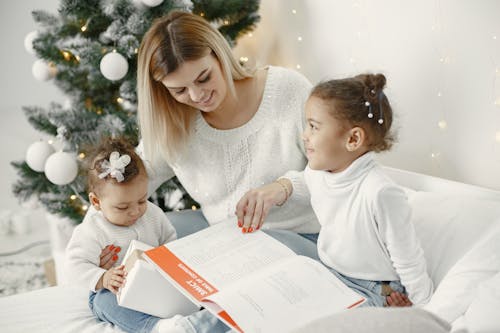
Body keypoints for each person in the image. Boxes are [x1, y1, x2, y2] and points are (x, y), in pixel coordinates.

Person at [92, 9, 323, 333]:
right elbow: (124, 181)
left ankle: (198, 325)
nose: (197, 96)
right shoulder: (176, 120)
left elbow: (339, 173)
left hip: (297, 240)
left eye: (203, 78)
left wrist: (283, 186)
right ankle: (165, 329)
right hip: (225, 244)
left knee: (253, 299)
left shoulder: (287, 90)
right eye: (179, 90)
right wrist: (103, 239)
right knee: (104, 293)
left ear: (219, 55)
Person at [236, 74, 434, 307]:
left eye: (313, 127)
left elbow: (408, 259)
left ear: (353, 139)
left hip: (373, 287)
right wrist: (282, 189)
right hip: (328, 268)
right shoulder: (321, 171)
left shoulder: (380, 192)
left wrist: (425, 309)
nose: (304, 135)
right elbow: (305, 182)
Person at [64, 137, 181, 333]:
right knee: (104, 302)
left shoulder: (152, 214)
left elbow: (170, 239)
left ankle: (197, 315)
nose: (135, 212)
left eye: (142, 200)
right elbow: (74, 266)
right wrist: (103, 277)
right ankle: (156, 328)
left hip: (153, 282)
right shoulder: (93, 230)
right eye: (122, 207)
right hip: (114, 290)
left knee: (181, 291)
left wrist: (165, 259)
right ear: (96, 202)